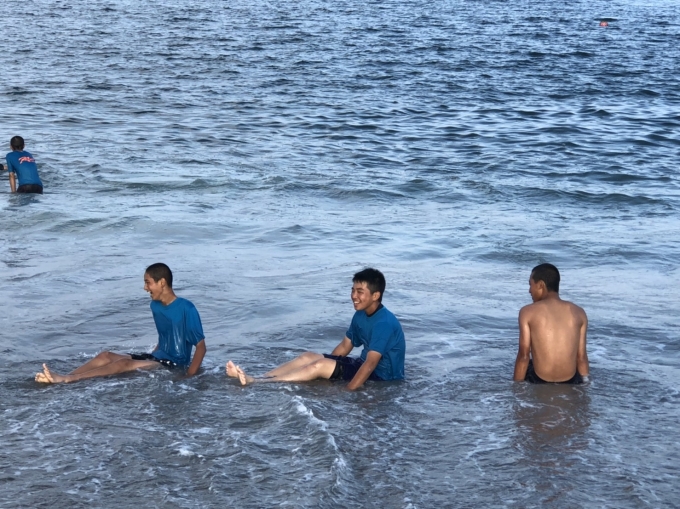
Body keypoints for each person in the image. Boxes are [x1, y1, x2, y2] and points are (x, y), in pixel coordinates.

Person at [226, 268, 405, 390]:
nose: (353, 296)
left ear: (375, 295)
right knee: (308, 357)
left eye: (360, 292)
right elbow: (345, 346)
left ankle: (255, 382)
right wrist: (330, 370)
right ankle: (262, 376)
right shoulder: (360, 314)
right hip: (362, 365)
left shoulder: (384, 323)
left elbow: (371, 364)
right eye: (352, 290)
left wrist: (348, 390)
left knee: (319, 365)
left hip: (382, 376)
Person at [35, 263, 207, 383]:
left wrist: (189, 376)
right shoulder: (155, 306)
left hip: (174, 364)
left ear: (162, 283)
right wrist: (151, 356)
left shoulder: (187, 308)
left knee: (123, 364)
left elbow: (201, 347)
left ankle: (67, 380)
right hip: (157, 357)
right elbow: (165, 335)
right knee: (105, 356)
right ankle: (63, 376)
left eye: (148, 282)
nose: (145, 288)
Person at [513, 263, 589, 384]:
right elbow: (581, 357)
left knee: (529, 365)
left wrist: (516, 388)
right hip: (571, 381)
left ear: (540, 285)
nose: (529, 290)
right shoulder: (579, 312)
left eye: (530, 284)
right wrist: (586, 384)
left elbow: (524, 356)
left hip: (539, 380)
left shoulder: (527, 312)